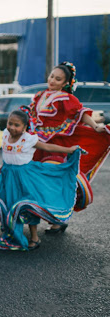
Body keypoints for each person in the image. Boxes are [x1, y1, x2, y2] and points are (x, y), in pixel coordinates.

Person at [0, 108, 81, 251]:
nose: (12, 127)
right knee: (8, 205)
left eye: (17, 125)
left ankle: (34, 237)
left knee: (27, 206)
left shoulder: (28, 139)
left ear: (24, 127)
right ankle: (10, 234)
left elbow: (47, 146)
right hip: (7, 178)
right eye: (10, 123)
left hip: (24, 179)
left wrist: (69, 150)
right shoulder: (4, 135)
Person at [30, 61, 110, 229]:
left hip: (58, 143)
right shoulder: (39, 95)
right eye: (52, 76)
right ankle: (41, 214)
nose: (52, 81)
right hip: (38, 143)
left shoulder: (67, 99)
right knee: (37, 179)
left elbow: (80, 113)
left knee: (56, 181)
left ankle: (58, 218)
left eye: (58, 79)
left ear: (65, 83)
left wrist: (95, 127)